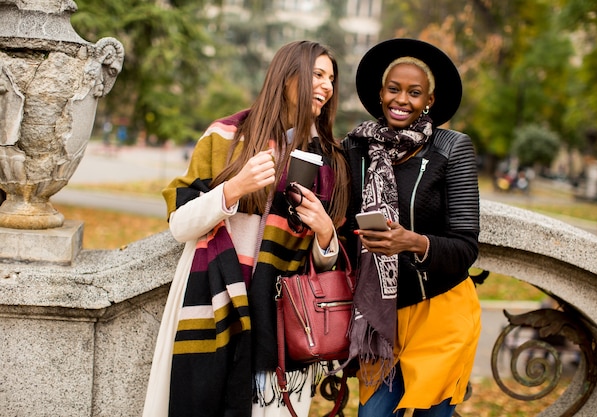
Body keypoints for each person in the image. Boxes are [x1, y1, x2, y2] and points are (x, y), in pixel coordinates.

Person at [142, 40, 350, 417]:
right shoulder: (226, 136)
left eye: (331, 78)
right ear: (287, 77)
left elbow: (326, 263)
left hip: (282, 322)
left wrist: (324, 233)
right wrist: (235, 187)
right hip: (213, 305)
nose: (327, 87)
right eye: (317, 74)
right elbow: (180, 225)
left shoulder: (329, 160)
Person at [340, 38, 481, 417]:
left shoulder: (452, 148)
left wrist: (412, 242)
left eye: (414, 92)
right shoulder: (356, 148)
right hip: (380, 315)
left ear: (429, 100)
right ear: (381, 93)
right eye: (394, 89)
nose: (402, 99)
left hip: (441, 311)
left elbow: (467, 247)